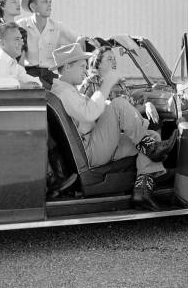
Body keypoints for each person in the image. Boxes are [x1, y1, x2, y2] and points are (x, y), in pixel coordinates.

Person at [50, 43, 177, 210]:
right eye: (81, 66)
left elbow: (87, 112)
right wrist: (107, 84)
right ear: (67, 67)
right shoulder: (65, 93)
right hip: (90, 151)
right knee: (119, 104)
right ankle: (151, 149)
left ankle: (142, 191)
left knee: (151, 136)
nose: (85, 70)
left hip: (91, 145)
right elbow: (89, 113)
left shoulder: (66, 90)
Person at [17, 0, 85, 89]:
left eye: (50, 2)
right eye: (45, 2)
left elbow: (79, 40)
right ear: (33, 7)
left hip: (51, 76)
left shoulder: (58, 27)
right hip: (29, 75)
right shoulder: (21, 25)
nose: (49, 5)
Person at [79, 44, 160, 126]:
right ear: (98, 64)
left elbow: (132, 108)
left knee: (155, 130)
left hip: (124, 129)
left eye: (114, 59)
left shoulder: (120, 84)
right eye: (109, 59)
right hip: (102, 131)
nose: (114, 62)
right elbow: (81, 110)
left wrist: (147, 105)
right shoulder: (90, 83)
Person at [0, 22, 42, 88]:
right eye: (17, 39)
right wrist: (22, 85)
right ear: (2, 42)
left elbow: (37, 83)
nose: (22, 43)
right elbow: (0, 87)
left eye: (21, 39)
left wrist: (22, 85)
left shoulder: (13, 63)